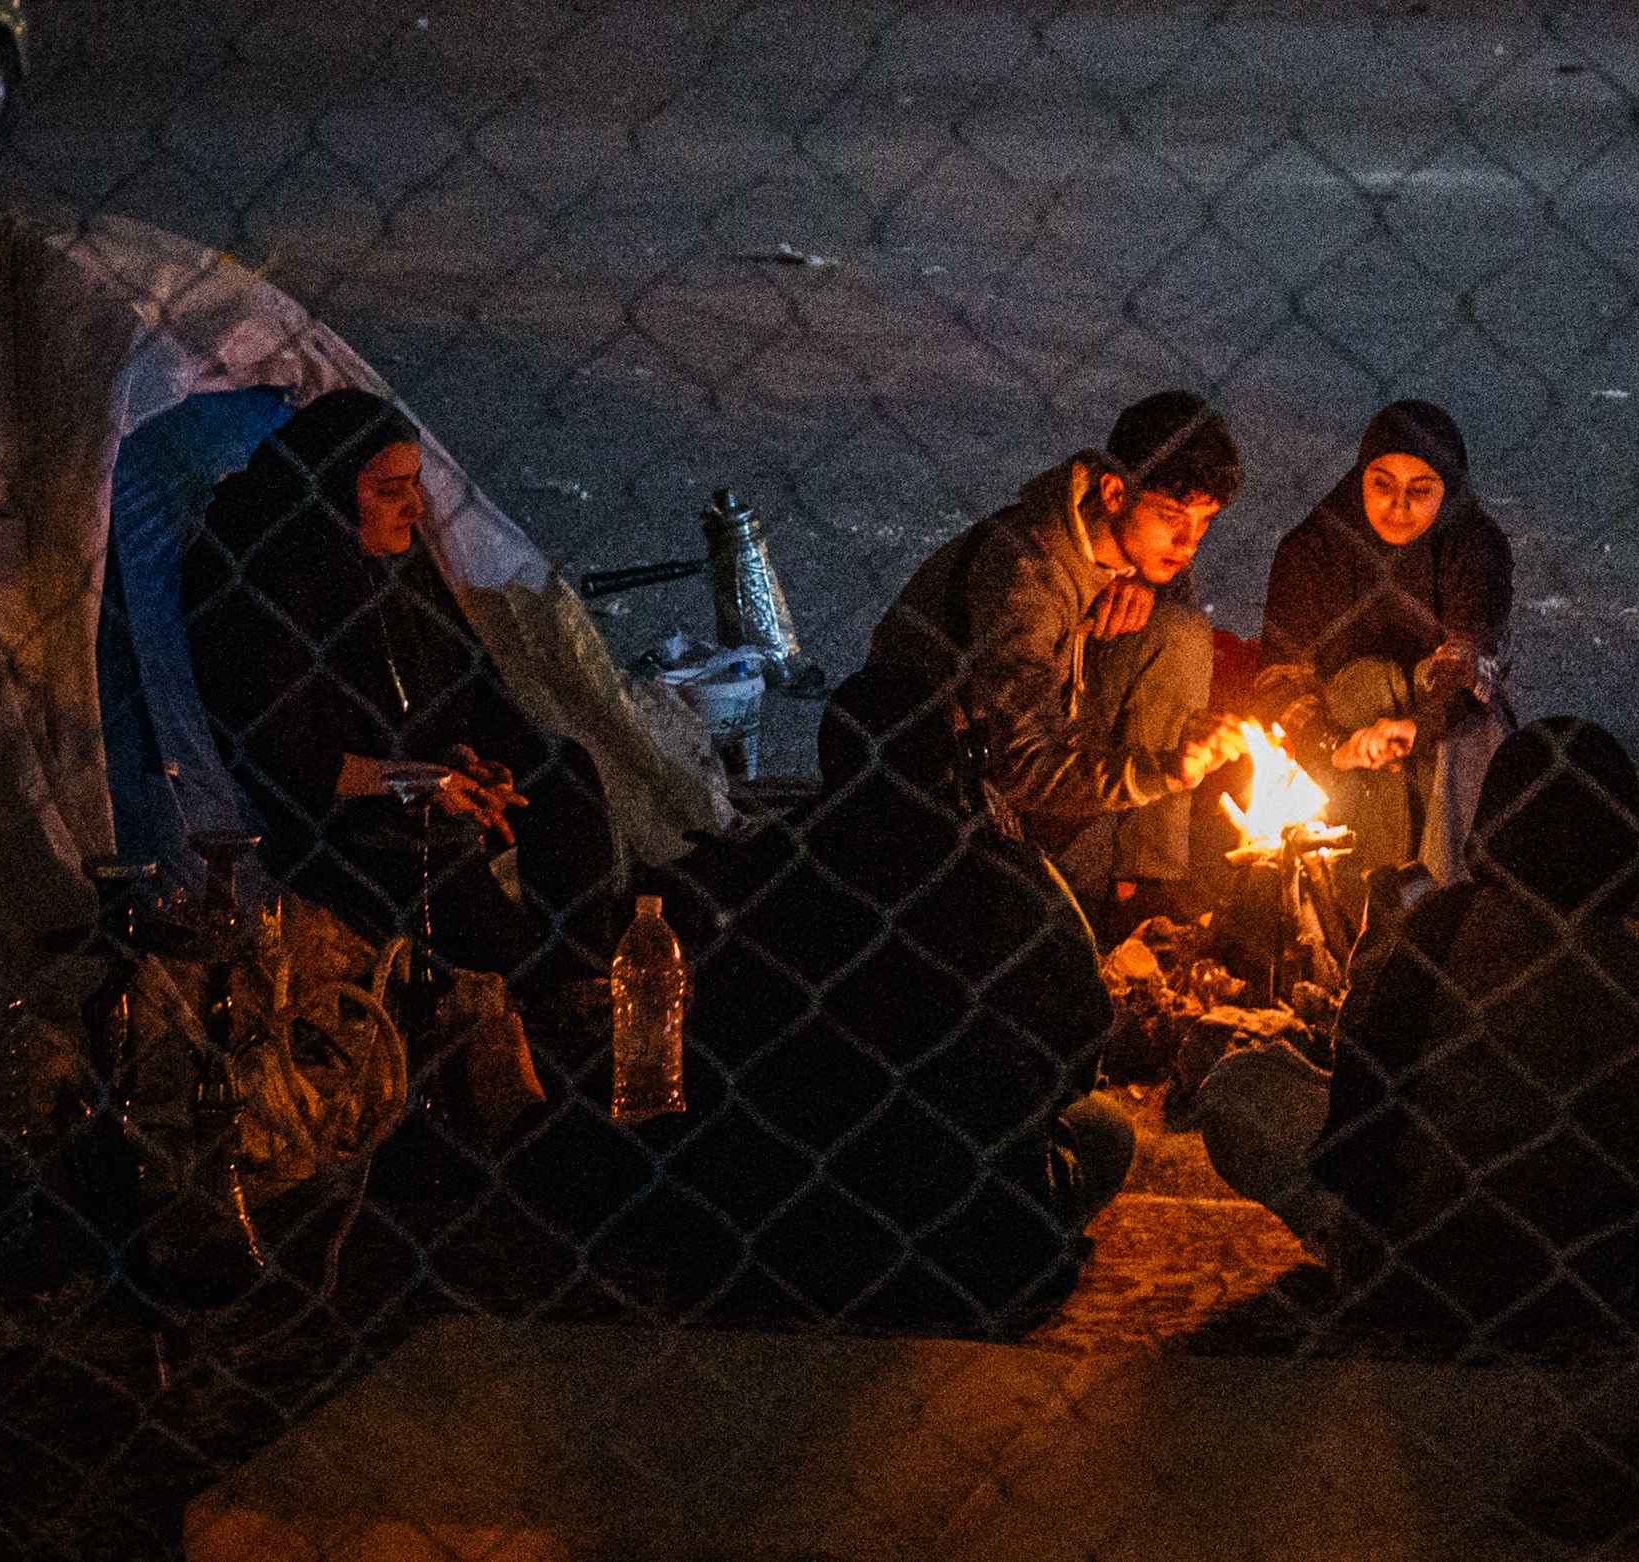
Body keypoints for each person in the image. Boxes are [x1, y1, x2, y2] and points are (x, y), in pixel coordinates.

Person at [1192, 717, 1639, 1344]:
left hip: (1410, 1270)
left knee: (1240, 1082)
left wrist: (1377, 949)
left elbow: (1361, 1087)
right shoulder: (1634, 968)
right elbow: (1621, 1119)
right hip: (1574, 1279)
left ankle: (1344, 1246)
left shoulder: (1443, 927)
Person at [648, 664, 1133, 1328]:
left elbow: (711, 1048)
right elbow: (1082, 1041)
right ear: (958, 762)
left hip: (786, 1237)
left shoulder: (764, 871)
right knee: (1106, 1130)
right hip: (972, 1247)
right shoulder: (1010, 876)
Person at [181, 389, 614, 989]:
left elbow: (451, 682)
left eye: (414, 483)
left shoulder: (389, 561)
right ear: (328, 492)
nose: (413, 506)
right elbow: (288, 761)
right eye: (388, 491)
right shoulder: (266, 588)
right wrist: (423, 782)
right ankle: (522, 991)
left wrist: (462, 757)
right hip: (333, 810)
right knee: (440, 869)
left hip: (413, 775)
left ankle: (589, 975)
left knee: (564, 774)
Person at [863, 391, 1255, 925]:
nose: (1189, 542)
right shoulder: (1026, 579)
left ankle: (1143, 886)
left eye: (1204, 521)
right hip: (950, 779)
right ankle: (1076, 895)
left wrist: (1146, 580)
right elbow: (1022, 766)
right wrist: (1166, 770)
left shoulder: (1132, 547)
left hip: (1052, 714)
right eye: (1171, 516)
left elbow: (1172, 585)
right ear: (1114, 492)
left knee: (1180, 633)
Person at [1252, 399, 1512, 885]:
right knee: (1366, 684)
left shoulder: (1474, 547)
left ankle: (1447, 891)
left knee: (1474, 725)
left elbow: (1473, 659)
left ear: (1449, 491)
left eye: (1420, 490)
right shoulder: (1312, 550)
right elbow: (1279, 676)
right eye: (1382, 485)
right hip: (1340, 721)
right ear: (1360, 480)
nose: (1399, 506)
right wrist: (1331, 743)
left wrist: (1421, 725)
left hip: (1442, 713)